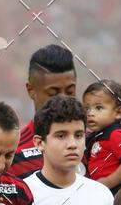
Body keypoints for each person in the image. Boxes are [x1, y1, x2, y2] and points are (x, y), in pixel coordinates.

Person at [8, 44, 77, 180]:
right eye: (53, 94)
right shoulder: (13, 154)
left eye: (70, 91)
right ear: (31, 90)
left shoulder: (95, 144)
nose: (64, 100)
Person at [83, 79, 121, 195]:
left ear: (118, 112)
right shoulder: (95, 137)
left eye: (98, 108)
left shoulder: (116, 135)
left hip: (116, 191)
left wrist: (107, 182)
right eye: (87, 108)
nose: (90, 113)